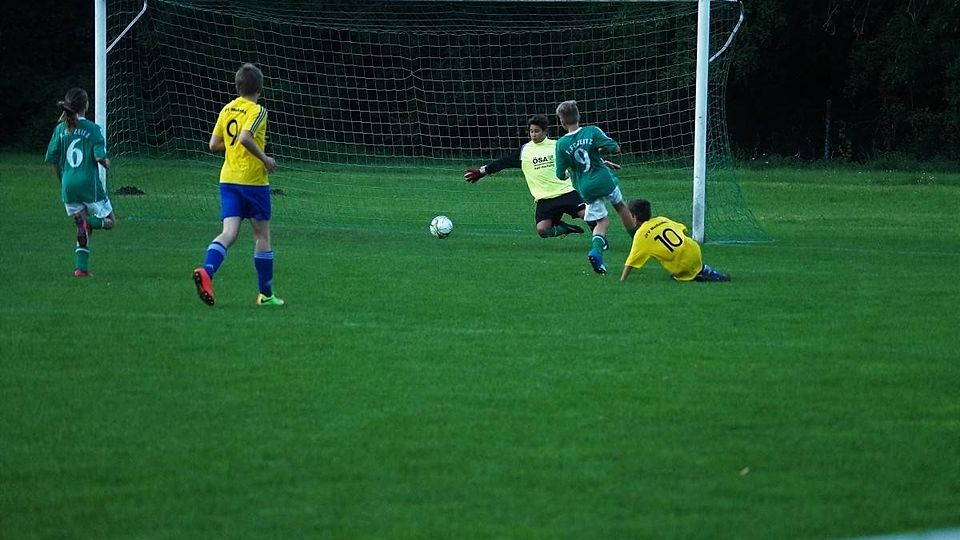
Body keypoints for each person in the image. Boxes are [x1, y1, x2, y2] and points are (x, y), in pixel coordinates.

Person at [192, 63, 283, 307]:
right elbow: (244, 137)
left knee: (229, 233)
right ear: (259, 88)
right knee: (261, 235)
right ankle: (266, 295)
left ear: (238, 87)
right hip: (252, 182)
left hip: (228, 180)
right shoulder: (258, 111)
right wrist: (265, 159)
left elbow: (213, 144)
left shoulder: (227, 108)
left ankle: (207, 271)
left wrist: (232, 145)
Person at [464, 115, 587, 238]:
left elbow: (576, 159)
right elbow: (503, 162)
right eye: (531, 131)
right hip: (544, 198)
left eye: (537, 131)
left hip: (566, 192)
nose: (533, 134)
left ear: (545, 131)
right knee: (542, 230)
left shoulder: (557, 145)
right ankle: (565, 228)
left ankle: (596, 241)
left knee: (588, 216)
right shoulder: (525, 150)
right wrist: (481, 172)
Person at [554, 100, 637, 275]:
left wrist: (570, 173)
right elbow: (614, 148)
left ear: (561, 121)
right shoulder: (592, 131)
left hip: (586, 187)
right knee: (621, 207)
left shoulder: (560, 144)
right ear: (579, 116)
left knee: (601, 221)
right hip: (604, 180)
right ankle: (637, 241)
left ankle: (596, 251)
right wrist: (600, 151)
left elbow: (560, 174)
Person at [43, 88, 115, 278]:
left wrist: (62, 181)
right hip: (88, 184)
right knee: (110, 221)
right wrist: (107, 163)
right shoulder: (92, 128)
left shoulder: (60, 129)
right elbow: (99, 157)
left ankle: (81, 269)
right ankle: (86, 221)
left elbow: (53, 159)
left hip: (68, 185)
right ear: (86, 105)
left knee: (83, 230)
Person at [620, 198, 730, 283]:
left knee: (684, 272)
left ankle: (700, 275)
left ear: (634, 216)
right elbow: (683, 228)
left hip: (681, 264)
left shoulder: (641, 234)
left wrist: (622, 280)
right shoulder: (662, 219)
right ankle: (707, 272)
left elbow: (630, 262)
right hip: (694, 250)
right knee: (693, 264)